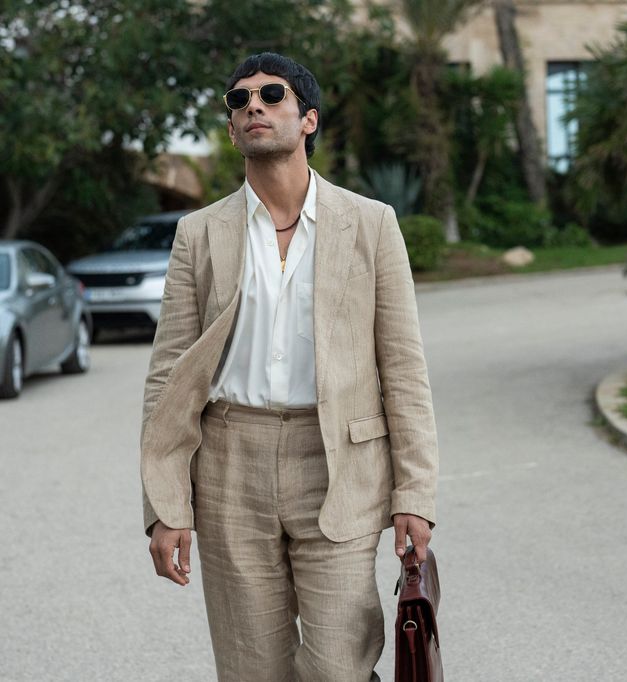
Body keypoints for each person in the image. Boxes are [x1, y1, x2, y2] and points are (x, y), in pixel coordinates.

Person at [139, 52, 438, 682]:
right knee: (252, 670)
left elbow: (404, 369)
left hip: (339, 466)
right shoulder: (199, 233)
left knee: (338, 666)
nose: (252, 106)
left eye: (272, 95)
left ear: (308, 120)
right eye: (238, 99)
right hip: (228, 468)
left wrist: (415, 492)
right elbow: (168, 380)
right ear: (230, 127)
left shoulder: (371, 223)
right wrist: (165, 506)